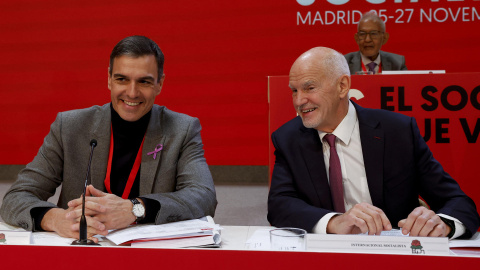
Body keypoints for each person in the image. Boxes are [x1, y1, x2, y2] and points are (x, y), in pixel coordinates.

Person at [0, 36, 217, 242]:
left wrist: (135, 209)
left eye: (144, 82)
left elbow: (204, 196)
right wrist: (55, 219)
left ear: (160, 84)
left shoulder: (183, 129)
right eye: (122, 79)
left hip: (148, 254)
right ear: (109, 79)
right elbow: (16, 197)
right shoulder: (69, 126)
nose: (132, 93)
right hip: (83, 249)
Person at [267, 47, 479, 239]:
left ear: (342, 86)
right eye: (294, 90)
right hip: (326, 256)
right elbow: (279, 205)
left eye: (309, 88)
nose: (298, 100)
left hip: (395, 257)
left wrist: (444, 225)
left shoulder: (398, 132)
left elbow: (458, 202)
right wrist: (334, 222)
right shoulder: (288, 138)